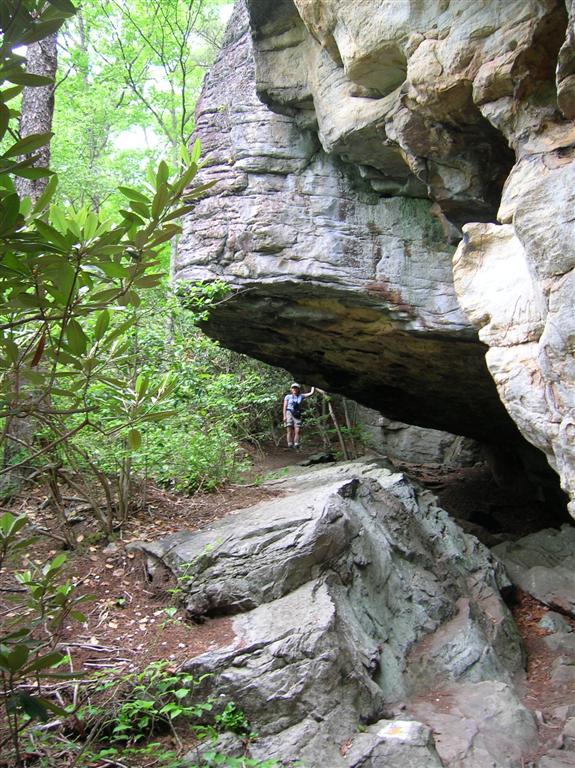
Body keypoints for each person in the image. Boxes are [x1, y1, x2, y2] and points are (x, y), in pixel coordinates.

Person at [283, 382, 316, 449]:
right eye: (293, 388)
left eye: (296, 388)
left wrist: (314, 386)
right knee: (289, 429)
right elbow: (284, 406)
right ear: (291, 389)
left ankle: (296, 444)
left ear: (298, 389)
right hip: (289, 412)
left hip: (297, 414)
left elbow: (311, 393)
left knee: (297, 430)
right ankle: (289, 444)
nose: (294, 389)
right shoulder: (288, 396)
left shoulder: (301, 396)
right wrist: (284, 416)